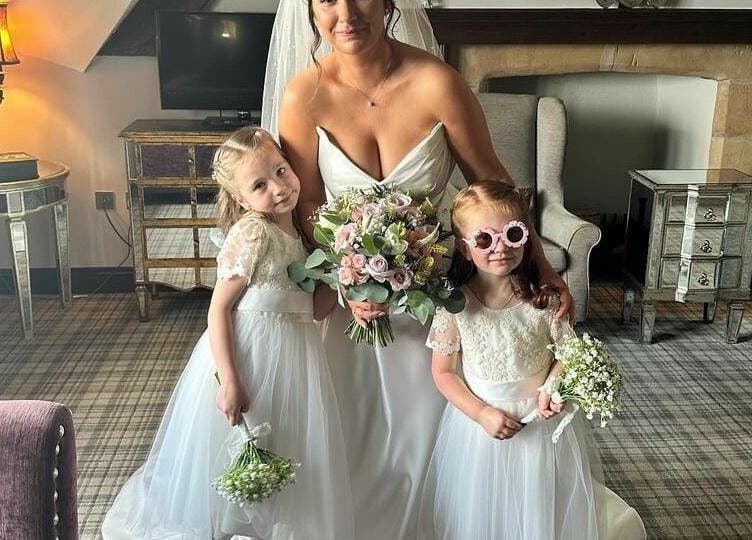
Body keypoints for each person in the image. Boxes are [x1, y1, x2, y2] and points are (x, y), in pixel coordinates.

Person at [268, 0, 575, 538]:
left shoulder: (438, 82)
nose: (346, 12)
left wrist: (541, 265)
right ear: (311, 10)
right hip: (355, 305)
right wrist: (346, 277)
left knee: (431, 422)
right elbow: (308, 204)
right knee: (357, 427)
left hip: (439, 296)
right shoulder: (303, 95)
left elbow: (492, 183)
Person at [101, 127, 353, 540]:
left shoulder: (301, 237)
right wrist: (231, 380)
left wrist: (345, 274)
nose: (278, 188)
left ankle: (263, 524)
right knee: (233, 440)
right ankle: (223, 524)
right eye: (259, 185)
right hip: (250, 353)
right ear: (241, 199)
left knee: (281, 437)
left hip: (294, 354)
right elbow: (218, 309)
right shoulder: (254, 232)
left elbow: (314, 310)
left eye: (281, 171)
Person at [418, 181, 645, 539]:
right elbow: (444, 373)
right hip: (482, 427)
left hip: (539, 422)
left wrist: (553, 386)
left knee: (539, 498)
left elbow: (568, 353)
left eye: (512, 234)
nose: (501, 248)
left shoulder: (544, 300)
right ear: (464, 247)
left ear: (526, 236)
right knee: (484, 504)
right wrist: (481, 414)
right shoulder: (455, 306)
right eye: (484, 239)